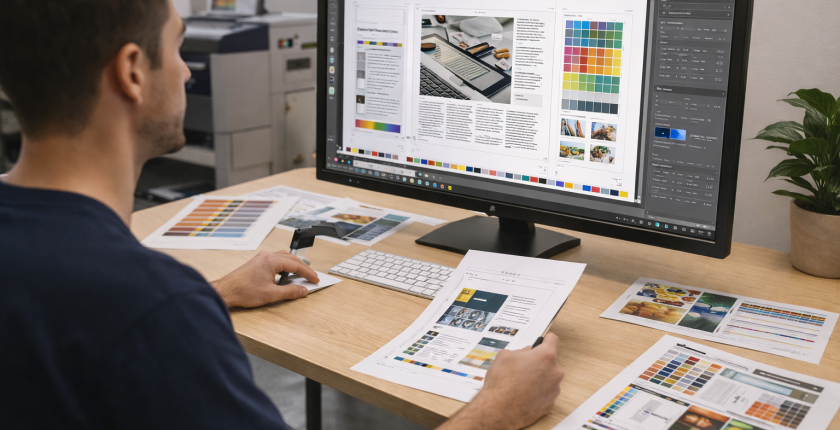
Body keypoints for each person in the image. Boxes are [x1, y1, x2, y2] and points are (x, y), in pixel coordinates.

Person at [0, 1, 565, 429]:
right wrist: (495, 411)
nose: (187, 72)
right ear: (131, 72)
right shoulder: (152, 309)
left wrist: (210, 294)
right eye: (177, 48)